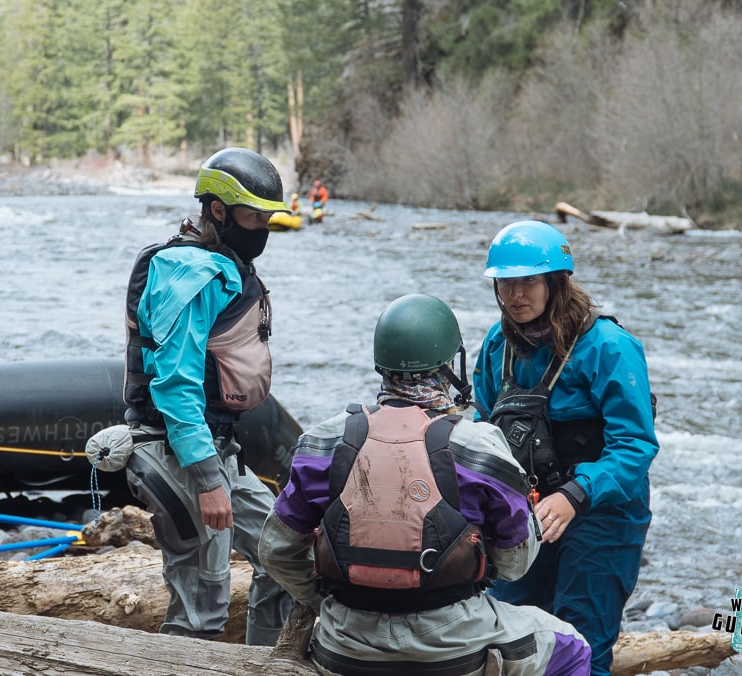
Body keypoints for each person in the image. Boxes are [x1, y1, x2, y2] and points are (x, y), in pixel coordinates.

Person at [259, 294, 592, 675]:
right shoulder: (480, 448)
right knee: (573, 646)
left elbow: (275, 551)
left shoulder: (324, 441)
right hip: (453, 649)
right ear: (450, 364)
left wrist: (324, 601)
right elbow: (515, 564)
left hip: (344, 646)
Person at [119, 147, 292, 645]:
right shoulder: (190, 272)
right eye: (252, 215)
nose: (262, 226)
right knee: (202, 607)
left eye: (267, 216)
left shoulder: (223, 264)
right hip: (177, 453)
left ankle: (265, 663)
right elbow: (174, 384)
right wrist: (208, 480)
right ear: (218, 210)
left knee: (284, 555)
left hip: (219, 449)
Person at [473, 221, 659, 676]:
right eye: (506, 282)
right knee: (505, 634)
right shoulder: (497, 347)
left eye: (529, 281)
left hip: (601, 516)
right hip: (527, 509)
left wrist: (576, 495)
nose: (515, 294)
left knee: (582, 642)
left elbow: (635, 444)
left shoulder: (609, 348)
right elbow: (481, 432)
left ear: (557, 282)